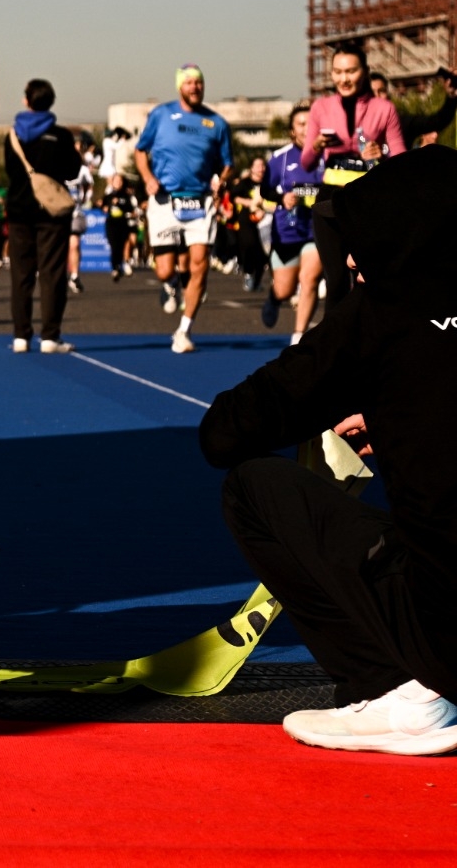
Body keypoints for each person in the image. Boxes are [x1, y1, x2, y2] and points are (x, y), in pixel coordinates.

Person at [201, 145, 457, 757]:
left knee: (253, 488)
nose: (350, 258)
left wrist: (371, 391)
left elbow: (226, 432)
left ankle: (399, 691)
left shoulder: (384, 309)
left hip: (446, 631)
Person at [134, 64, 233, 354]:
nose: (194, 87)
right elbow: (140, 150)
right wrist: (148, 178)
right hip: (165, 199)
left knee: (198, 263)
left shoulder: (216, 123)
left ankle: (184, 330)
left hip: (200, 201)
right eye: (188, 82)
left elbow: (228, 163)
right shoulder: (161, 115)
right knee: (165, 270)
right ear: (180, 86)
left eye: (198, 82)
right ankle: (171, 284)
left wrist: (221, 180)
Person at [300, 43, 405, 310]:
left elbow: (402, 161)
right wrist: (316, 146)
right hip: (329, 199)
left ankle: (367, 330)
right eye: (337, 72)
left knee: (366, 277)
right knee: (336, 279)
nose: (344, 79)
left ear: (365, 72)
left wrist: (381, 153)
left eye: (351, 71)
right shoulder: (320, 107)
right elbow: (307, 163)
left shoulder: (384, 109)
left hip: (366, 200)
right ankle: (334, 334)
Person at [4, 78, 81, 354]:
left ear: (27, 100)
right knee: (52, 274)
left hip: (19, 210)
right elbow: (72, 172)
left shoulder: (12, 135)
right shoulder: (61, 135)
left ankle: (21, 336)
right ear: (51, 102)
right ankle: (50, 336)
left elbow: (10, 170)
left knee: (21, 275)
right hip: (51, 213)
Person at [259, 104, 324, 345]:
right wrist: (281, 198)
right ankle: (274, 297)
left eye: (311, 123)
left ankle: (298, 337)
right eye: (301, 124)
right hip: (286, 233)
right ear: (292, 131)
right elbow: (264, 190)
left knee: (309, 279)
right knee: (285, 289)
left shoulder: (328, 156)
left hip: (316, 231)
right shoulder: (280, 158)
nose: (307, 129)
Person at [231, 156, 270, 292]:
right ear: (251, 168)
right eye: (257, 166)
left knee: (265, 253)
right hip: (248, 220)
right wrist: (249, 203)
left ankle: (257, 281)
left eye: (263, 166)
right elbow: (234, 197)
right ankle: (248, 273)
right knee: (249, 245)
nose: (261, 169)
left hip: (267, 219)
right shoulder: (244, 183)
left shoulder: (269, 182)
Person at [64, 139, 93, 293]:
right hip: (59, 212)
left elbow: (89, 186)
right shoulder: (58, 166)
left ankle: (74, 276)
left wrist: (83, 198)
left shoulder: (83, 170)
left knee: (74, 244)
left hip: (75, 212)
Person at [101, 173, 137, 281]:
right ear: (112, 182)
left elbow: (131, 209)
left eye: (120, 181)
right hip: (111, 224)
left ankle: (123, 264)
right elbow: (103, 206)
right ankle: (115, 267)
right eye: (116, 181)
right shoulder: (108, 196)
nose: (118, 183)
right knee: (114, 246)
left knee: (123, 245)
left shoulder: (126, 196)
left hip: (123, 224)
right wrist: (105, 207)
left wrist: (120, 204)